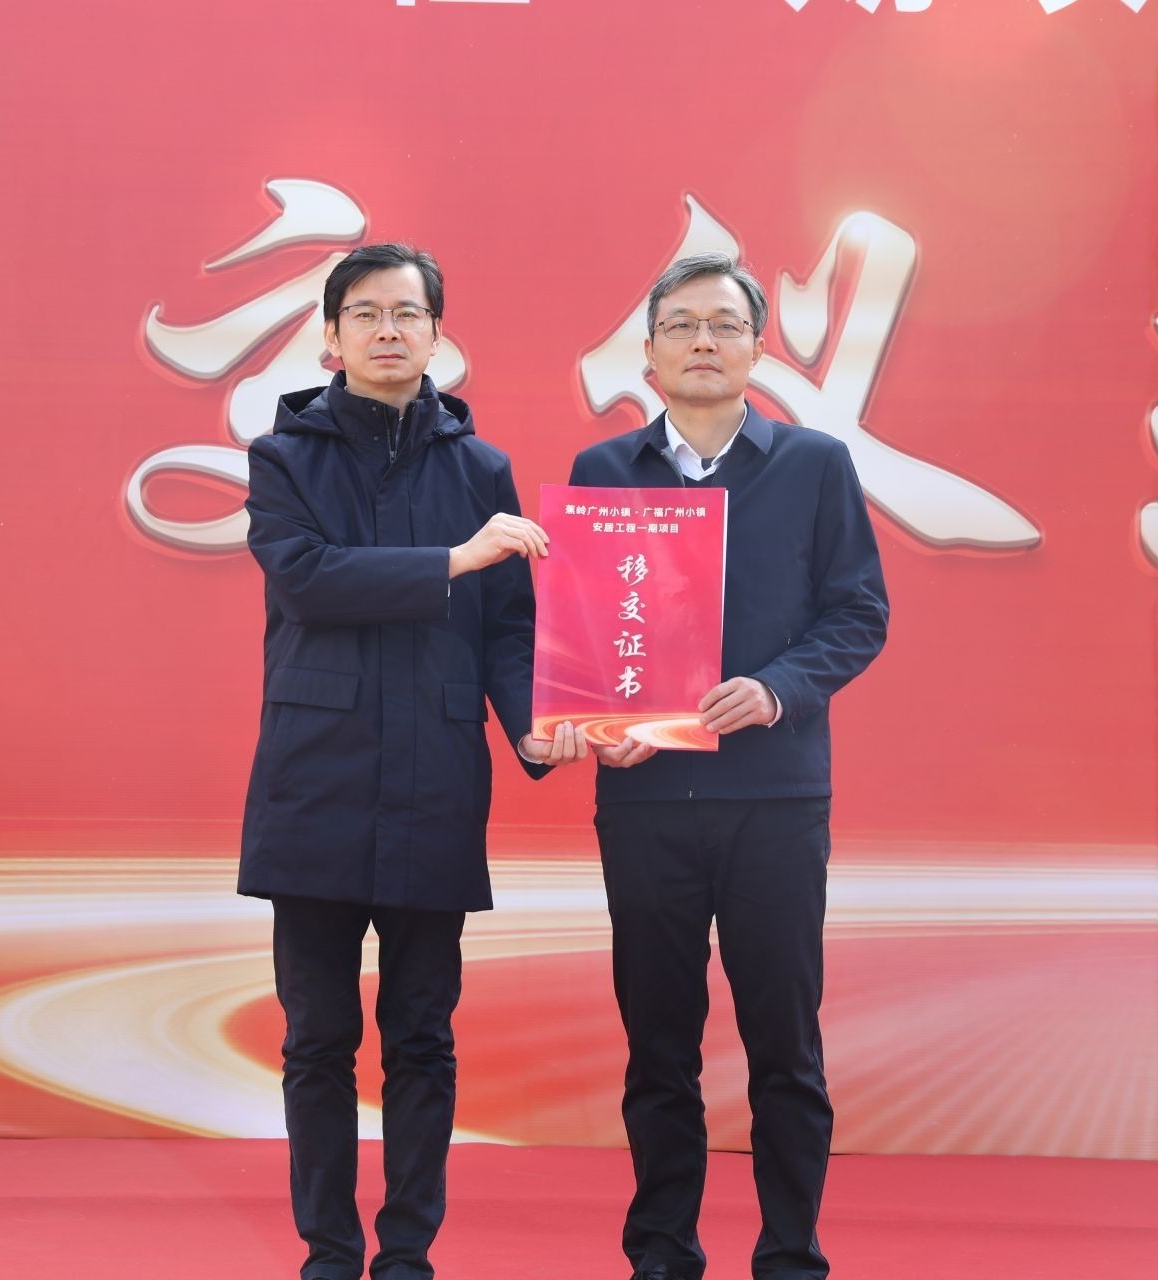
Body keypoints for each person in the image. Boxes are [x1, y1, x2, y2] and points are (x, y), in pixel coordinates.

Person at [239, 241, 586, 1280]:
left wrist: (530, 724)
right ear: (331, 335)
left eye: (408, 313)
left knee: (423, 1036)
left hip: (435, 779)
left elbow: (509, 626)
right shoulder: (284, 456)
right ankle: (328, 1250)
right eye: (366, 313)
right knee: (317, 1038)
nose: (388, 330)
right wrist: (454, 557)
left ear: (439, 335)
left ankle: (406, 1253)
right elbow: (308, 580)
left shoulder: (480, 469)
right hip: (317, 779)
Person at [567, 253, 890, 1280]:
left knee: (784, 1042)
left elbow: (859, 613)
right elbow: (585, 633)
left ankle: (791, 1251)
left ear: (756, 347)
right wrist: (596, 718)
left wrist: (778, 687)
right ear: (649, 352)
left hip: (775, 798)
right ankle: (662, 1251)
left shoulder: (814, 465)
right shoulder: (603, 472)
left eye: (723, 324)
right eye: (682, 325)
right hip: (646, 799)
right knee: (658, 1042)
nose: (703, 341)